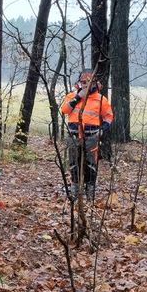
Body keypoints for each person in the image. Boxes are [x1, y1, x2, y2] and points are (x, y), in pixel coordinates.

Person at [60, 69, 114, 199]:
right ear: (79, 82)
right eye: (83, 82)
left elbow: (108, 116)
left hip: (92, 137)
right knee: (73, 163)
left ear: (94, 82)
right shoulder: (71, 96)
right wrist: (78, 97)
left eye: (88, 82)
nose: (85, 85)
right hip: (73, 136)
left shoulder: (101, 99)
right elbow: (64, 110)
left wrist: (101, 130)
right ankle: (75, 191)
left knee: (91, 164)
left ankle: (90, 191)